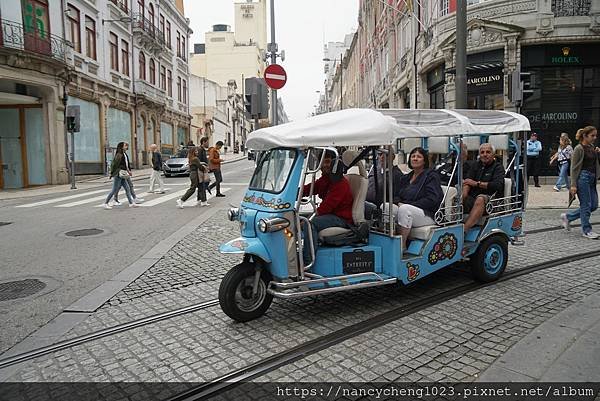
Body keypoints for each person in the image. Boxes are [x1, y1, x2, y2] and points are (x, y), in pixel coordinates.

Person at [302, 150, 354, 263]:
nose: (325, 165)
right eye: (323, 162)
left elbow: (326, 207)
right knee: (299, 219)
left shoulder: (340, 183)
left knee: (309, 223)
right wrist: (296, 192)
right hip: (332, 215)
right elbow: (312, 188)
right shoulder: (326, 179)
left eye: (328, 162)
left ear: (334, 164)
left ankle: (307, 262)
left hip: (342, 219)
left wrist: (310, 217)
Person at [388, 147, 443, 252]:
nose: (415, 159)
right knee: (386, 206)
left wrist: (407, 204)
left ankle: (402, 246)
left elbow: (433, 199)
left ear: (424, 160)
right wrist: (398, 202)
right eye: (413, 156)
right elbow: (396, 195)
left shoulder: (431, 176)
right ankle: (391, 241)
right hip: (407, 210)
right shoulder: (406, 177)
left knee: (405, 209)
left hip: (427, 214)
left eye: (419, 156)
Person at [561, 126, 600, 239]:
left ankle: (568, 217)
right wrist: (573, 185)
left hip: (592, 178)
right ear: (585, 136)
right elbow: (573, 167)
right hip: (583, 178)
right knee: (586, 205)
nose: (594, 138)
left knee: (593, 205)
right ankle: (587, 230)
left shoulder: (592, 147)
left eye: (595, 135)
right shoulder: (578, 148)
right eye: (592, 135)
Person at [462, 143, 506, 233]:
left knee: (480, 199)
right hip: (473, 197)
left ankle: (464, 231)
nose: (485, 154)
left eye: (488, 152)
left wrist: (477, 183)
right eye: (482, 152)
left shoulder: (498, 167)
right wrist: (463, 194)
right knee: (455, 196)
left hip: (492, 200)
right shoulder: (475, 165)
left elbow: (497, 185)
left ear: (493, 154)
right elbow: (468, 181)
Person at [103, 142, 137, 209]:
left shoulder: (123, 154)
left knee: (127, 188)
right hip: (118, 174)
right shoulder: (119, 155)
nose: (127, 147)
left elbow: (126, 165)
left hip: (123, 174)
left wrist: (128, 171)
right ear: (121, 147)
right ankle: (105, 203)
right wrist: (112, 174)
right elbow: (114, 165)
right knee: (114, 189)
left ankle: (131, 203)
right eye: (125, 146)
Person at [196, 137, 210, 205]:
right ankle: (203, 201)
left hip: (203, 169)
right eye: (207, 142)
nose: (208, 143)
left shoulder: (202, 149)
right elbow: (199, 161)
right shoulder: (200, 150)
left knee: (201, 185)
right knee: (202, 185)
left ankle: (199, 198)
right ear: (203, 142)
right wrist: (203, 168)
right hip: (201, 170)